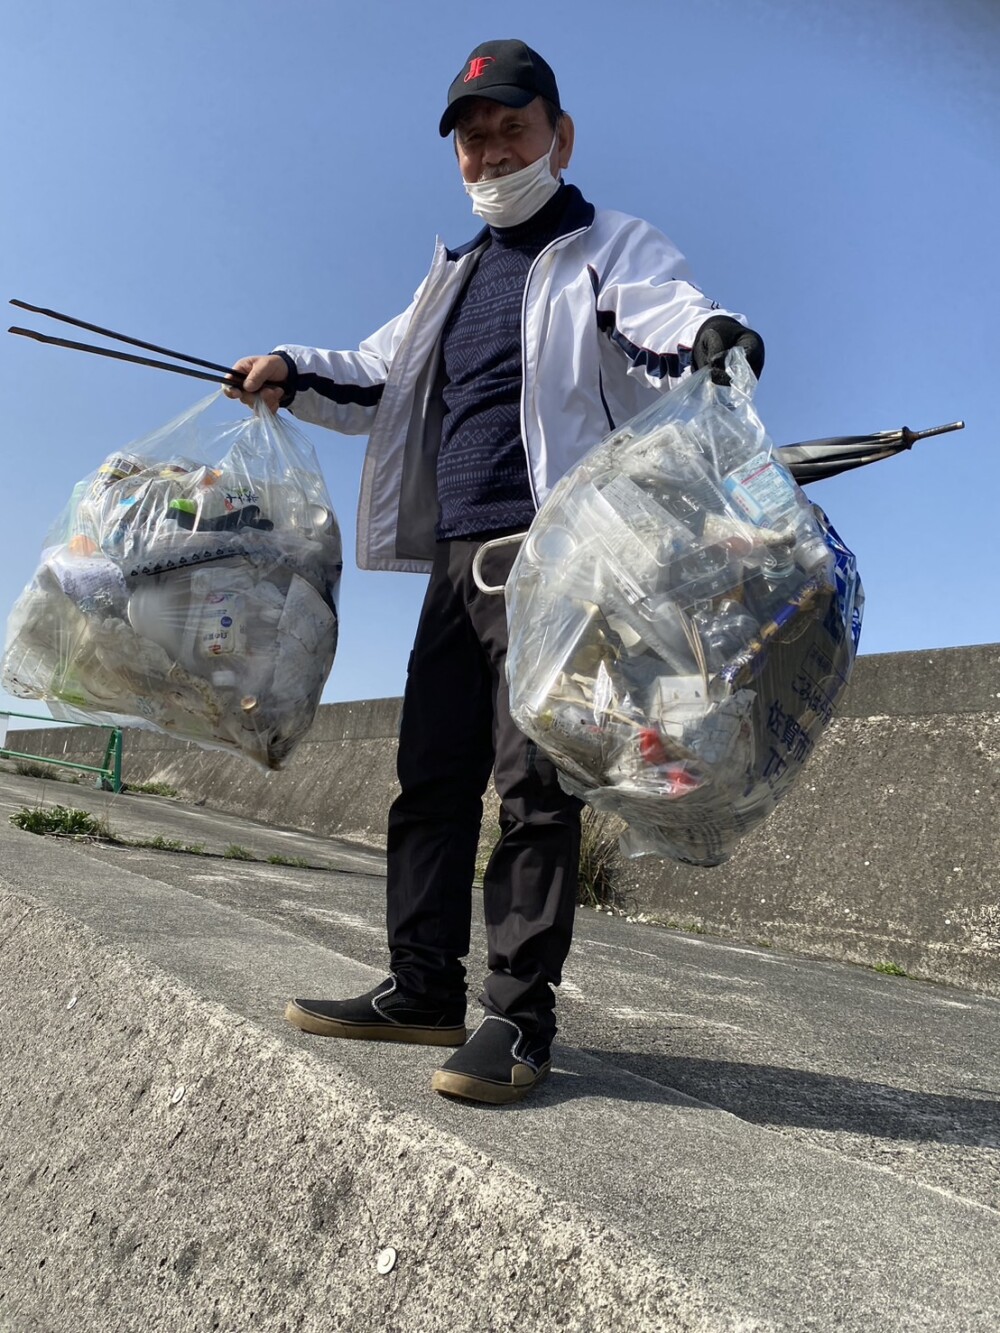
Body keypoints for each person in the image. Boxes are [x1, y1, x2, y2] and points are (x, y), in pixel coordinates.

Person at [227, 39, 764, 1105]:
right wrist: (288, 366)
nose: (490, 150)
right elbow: (375, 373)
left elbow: (661, 319)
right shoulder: (452, 276)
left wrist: (712, 335)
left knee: (535, 791)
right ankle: (420, 986)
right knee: (428, 780)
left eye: (511, 129)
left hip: (558, 559)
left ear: (557, 136)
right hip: (454, 561)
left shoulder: (607, 246)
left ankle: (518, 1021)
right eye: (472, 137)